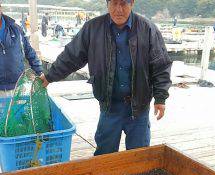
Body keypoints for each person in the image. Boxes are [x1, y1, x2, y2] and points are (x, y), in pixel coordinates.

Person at [40, 0, 172, 156]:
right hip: (109, 106)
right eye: (114, 3)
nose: (118, 9)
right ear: (107, 4)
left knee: (139, 157)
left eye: (123, 4)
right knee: (104, 154)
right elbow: (72, 56)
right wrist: (50, 76)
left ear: (132, 3)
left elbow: (160, 64)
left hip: (138, 108)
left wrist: (160, 98)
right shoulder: (93, 28)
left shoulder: (147, 28)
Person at [0, 2, 43, 96]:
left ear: (1, 8)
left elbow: (29, 51)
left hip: (18, 86)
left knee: (19, 111)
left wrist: (40, 72)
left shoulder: (16, 29)